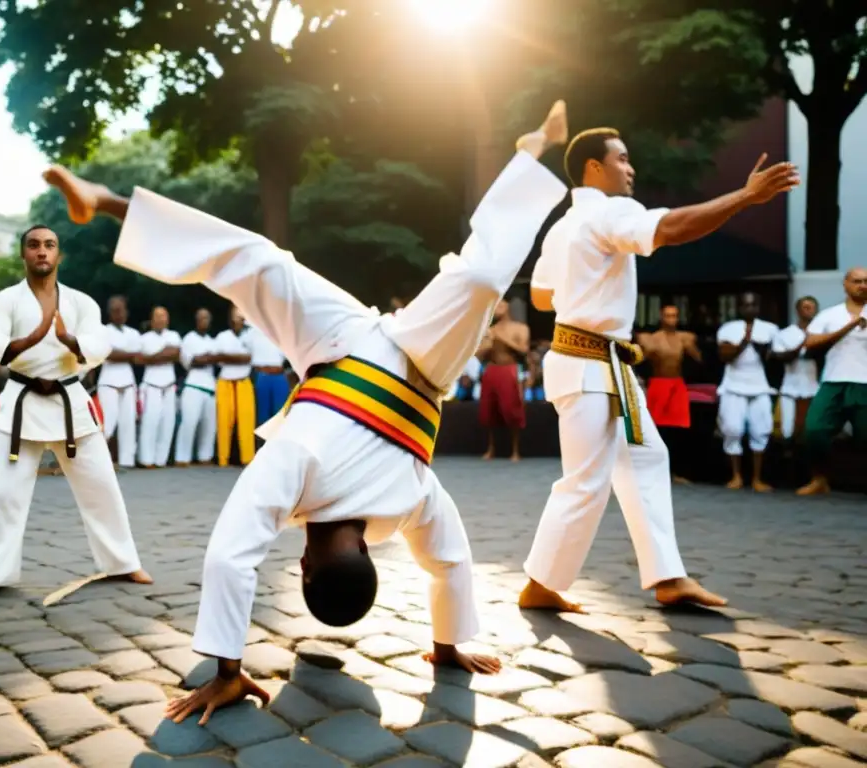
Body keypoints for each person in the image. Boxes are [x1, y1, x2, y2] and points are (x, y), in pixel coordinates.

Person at [41, 99, 571, 722]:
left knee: (256, 260)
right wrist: (447, 646)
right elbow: (232, 553)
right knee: (482, 278)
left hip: (338, 347)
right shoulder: (372, 489)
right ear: (302, 570)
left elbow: (450, 559)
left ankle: (107, 200)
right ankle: (530, 153)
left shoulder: (360, 486)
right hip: (420, 360)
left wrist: (447, 644)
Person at [520, 128, 798, 613]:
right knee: (585, 481)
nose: (631, 170)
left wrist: (584, 286)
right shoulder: (608, 211)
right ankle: (541, 583)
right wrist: (746, 197)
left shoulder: (563, 227)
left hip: (593, 364)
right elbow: (670, 229)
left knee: (646, 459)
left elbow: (542, 296)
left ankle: (668, 576)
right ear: (594, 168)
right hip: (593, 366)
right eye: (623, 159)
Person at [0, 225, 150, 600]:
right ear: (24, 254)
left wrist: (70, 340)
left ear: (58, 255)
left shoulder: (80, 303)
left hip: (69, 400)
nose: (42, 252)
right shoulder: (5, 301)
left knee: (102, 486)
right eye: (34, 245)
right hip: (22, 399)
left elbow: (100, 343)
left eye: (49, 245)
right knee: (3, 492)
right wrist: (27, 340)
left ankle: (123, 562)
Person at [797, 267, 867, 496]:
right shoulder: (830, 314)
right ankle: (819, 479)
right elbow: (810, 342)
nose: (862, 285)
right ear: (845, 284)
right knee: (814, 429)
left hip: (864, 383)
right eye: (857, 281)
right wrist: (849, 327)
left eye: (866, 281)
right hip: (834, 380)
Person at [716, 292, 778, 491]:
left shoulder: (770, 329)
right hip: (733, 386)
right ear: (740, 308)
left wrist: (760, 346)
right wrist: (746, 340)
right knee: (732, 429)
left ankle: (757, 479)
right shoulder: (728, 328)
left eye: (753, 305)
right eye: (746, 305)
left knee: (761, 431)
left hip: (760, 386)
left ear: (758, 307)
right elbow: (725, 356)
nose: (749, 309)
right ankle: (736, 476)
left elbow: (772, 357)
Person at [637, 304, 702, 483]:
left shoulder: (685, 338)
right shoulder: (650, 338)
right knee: (656, 430)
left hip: (677, 384)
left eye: (674, 316)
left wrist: (691, 348)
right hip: (658, 384)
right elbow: (640, 358)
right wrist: (649, 350)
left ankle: (675, 472)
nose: (671, 320)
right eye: (667, 316)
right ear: (661, 317)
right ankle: (653, 471)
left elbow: (700, 359)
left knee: (678, 431)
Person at [476, 300, 528, 461]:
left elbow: (523, 349)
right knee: (489, 409)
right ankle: (491, 448)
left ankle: (515, 450)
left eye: (500, 305)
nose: (497, 309)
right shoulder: (491, 330)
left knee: (511, 409)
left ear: (508, 308)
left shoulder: (520, 328)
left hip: (509, 369)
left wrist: (501, 338)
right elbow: (479, 355)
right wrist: (485, 344)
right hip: (492, 369)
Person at [97, 295, 142, 470]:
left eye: (121, 310)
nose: (118, 314)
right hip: (108, 382)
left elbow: (140, 358)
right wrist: (130, 355)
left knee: (128, 422)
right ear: (109, 313)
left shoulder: (133, 333)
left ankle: (126, 460)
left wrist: (124, 355)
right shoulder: (102, 331)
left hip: (128, 382)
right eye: (115, 310)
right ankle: (96, 461)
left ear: (126, 312)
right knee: (107, 423)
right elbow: (107, 354)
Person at [136, 307, 181, 468]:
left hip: (169, 385)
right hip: (152, 385)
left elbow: (175, 354)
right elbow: (139, 360)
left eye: (164, 316)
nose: (161, 319)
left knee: (167, 423)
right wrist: (163, 353)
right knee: (150, 422)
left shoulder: (174, 335)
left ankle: (161, 460)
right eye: (157, 316)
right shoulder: (144, 338)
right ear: (152, 319)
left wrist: (152, 357)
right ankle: (146, 460)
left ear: (167, 319)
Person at [771, 296, 819, 443]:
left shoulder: (821, 333)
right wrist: (803, 343)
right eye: (805, 307)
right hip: (790, 389)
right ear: (797, 310)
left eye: (812, 307)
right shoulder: (784, 334)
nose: (809, 310)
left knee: (812, 433)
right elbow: (782, 357)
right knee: (787, 433)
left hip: (813, 390)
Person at [174, 308, 218, 466]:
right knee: (189, 423)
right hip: (193, 385)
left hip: (210, 387)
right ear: (196, 320)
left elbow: (217, 359)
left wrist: (207, 357)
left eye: (207, 318)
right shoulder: (189, 339)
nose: (204, 321)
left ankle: (205, 457)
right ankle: (182, 458)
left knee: (209, 425)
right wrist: (208, 357)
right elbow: (192, 362)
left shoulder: (212, 341)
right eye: (201, 318)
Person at [214, 305, 256, 467]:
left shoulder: (251, 335)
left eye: (240, 315)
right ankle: (222, 458)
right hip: (225, 381)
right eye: (234, 315)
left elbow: (251, 358)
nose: (237, 319)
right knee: (223, 422)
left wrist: (229, 357)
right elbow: (219, 358)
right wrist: (240, 357)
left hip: (243, 381)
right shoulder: (222, 336)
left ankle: (247, 458)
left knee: (246, 421)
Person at [246, 321, 291, 427]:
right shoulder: (251, 330)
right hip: (261, 376)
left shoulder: (282, 330)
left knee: (280, 418)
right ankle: (261, 444)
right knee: (262, 419)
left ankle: (278, 443)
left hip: (279, 377)